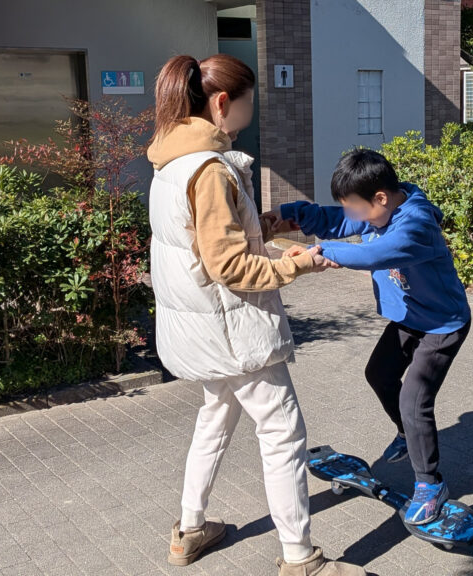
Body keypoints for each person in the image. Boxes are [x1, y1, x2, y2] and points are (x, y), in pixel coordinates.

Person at [147, 53, 365, 576]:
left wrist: (265, 227)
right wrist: (299, 266)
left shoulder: (172, 163)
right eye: (249, 102)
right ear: (224, 103)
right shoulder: (209, 170)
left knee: (214, 420)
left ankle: (190, 529)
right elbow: (229, 266)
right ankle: (300, 558)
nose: (252, 112)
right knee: (283, 433)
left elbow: (205, 242)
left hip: (203, 329)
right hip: (233, 330)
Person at [264, 149, 472, 525]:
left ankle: (431, 485)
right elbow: (335, 219)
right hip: (410, 318)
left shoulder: (416, 223)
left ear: (380, 197)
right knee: (378, 374)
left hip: (442, 325)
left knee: (414, 400)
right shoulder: (378, 209)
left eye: (357, 208)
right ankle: (408, 434)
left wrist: (319, 252)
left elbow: (378, 253)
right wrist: (288, 215)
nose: (354, 217)